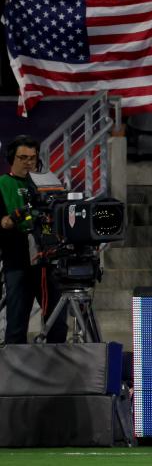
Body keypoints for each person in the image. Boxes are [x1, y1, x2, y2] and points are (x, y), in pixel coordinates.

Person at [0, 135, 67, 344]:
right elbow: (3, 223)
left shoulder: (46, 184)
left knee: (57, 324)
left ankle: (55, 367)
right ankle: (13, 372)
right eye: (23, 157)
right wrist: (17, 215)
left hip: (48, 261)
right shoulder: (3, 184)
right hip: (17, 262)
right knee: (16, 323)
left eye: (33, 158)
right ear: (12, 158)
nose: (29, 162)